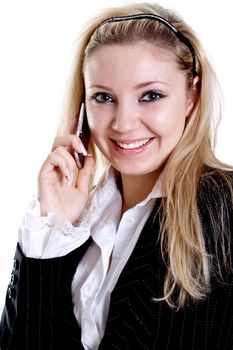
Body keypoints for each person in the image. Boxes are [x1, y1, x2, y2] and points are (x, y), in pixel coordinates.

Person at [0, 2, 233, 349]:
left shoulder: (222, 208)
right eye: (104, 97)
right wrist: (54, 229)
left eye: (151, 96)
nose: (123, 123)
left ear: (190, 96)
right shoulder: (77, 222)